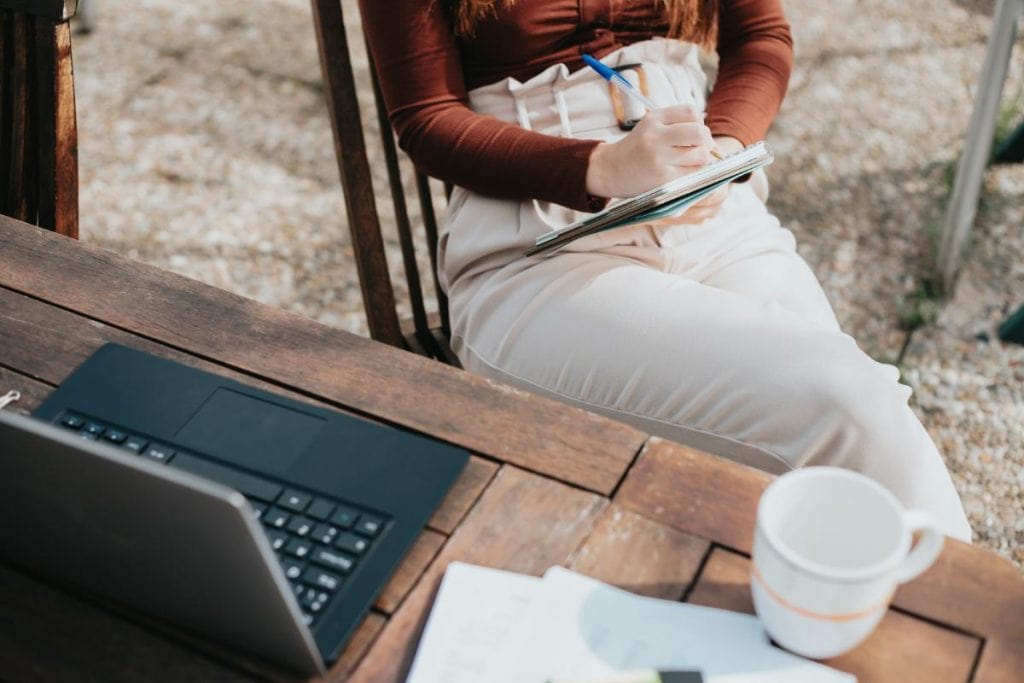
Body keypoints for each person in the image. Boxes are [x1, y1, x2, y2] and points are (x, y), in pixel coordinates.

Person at [359, 0, 972, 540]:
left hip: (712, 210)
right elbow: (427, 117)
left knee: (855, 442)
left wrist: (724, 153)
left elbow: (761, 38)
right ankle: (976, 636)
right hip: (543, 250)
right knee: (847, 404)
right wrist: (600, 167)